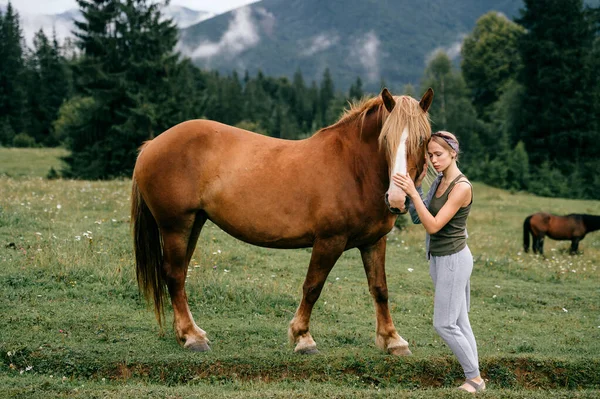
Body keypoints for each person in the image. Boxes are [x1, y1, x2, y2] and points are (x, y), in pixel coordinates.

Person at [393, 131, 485, 394]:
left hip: (454, 260)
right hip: (439, 259)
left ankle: (475, 379)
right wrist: (418, 186)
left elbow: (432, 226)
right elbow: (417, 216)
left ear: (453, 152)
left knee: (444, 324)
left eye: (439, 154)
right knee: (460, 322)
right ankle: (474, 376)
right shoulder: (441, 180)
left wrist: (411, 189)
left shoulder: (461, 187)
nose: (433, 160)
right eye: (430, 155)